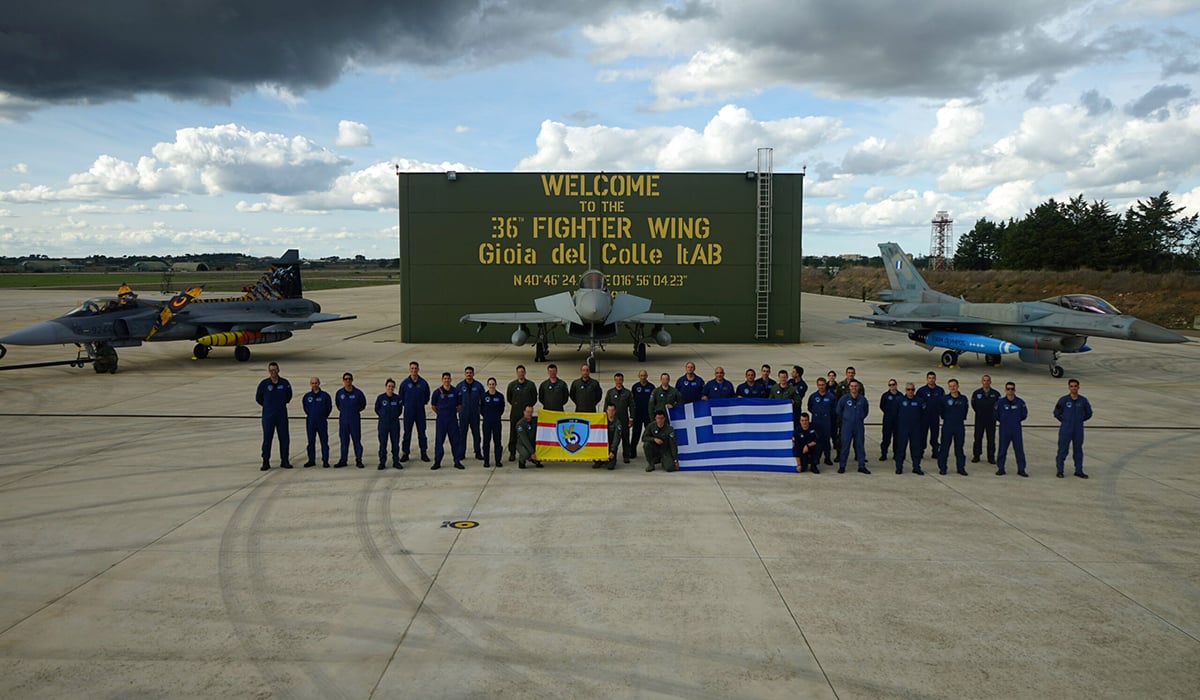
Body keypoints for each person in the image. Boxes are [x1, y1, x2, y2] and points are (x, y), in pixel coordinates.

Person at [256, 361, 293, 470]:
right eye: (271, 370)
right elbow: (259, 398)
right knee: (267, 438)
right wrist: (268, 406)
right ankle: (266, 461)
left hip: (281, 415)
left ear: (278, 370)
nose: (274, 372)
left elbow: (288, 396)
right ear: (269, 371)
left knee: (284, 438)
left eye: (275, 370)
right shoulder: (264, 384)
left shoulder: (285, 383)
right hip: (268, 416)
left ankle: (285, 460)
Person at [1053, 378, 1093, 478]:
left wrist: (1079, 420)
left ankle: (1079, 470)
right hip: (1066, 429)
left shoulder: (1083, 400)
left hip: (1078, 429)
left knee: (1078, 450)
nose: (1073, 388)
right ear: (1069, 387)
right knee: (1063, 450)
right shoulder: (1063, 400)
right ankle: (1060, 470)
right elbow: (1056, 413)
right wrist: (1065, 421)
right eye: (1071, 386)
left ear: (1078, 387)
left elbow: (1089, 413)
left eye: (1075, 386)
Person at [430, 372, 464, 470]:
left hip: (452, 420)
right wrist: (441, 414)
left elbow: (459, 406)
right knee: (439, 441)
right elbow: (433, 406)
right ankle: (437, 462)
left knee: (455, 441)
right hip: (441, 420)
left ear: (450, 380)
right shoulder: (437, 392)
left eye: (448, 378)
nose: (446, 380)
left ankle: (457, 461)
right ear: (442, 380)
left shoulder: (455, 391)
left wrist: (452, 413)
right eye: (445, 378)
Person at [836, 379, 870, 474]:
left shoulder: (862, 399)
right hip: (847, 426)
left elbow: (866, 411)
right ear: (849, 387)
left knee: (860, 446)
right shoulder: (844, 399)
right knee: (845, 446)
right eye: (852, 386)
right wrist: (847, 418)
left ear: (858, 387)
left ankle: (861, 466)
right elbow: (838, 410)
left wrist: (859, 417)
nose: (854, 388)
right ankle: (842, 466)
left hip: (858, 426)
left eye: (855, 386)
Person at [399, 361, 430, 463]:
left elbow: (427, 397)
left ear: (418, 369)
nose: (414, 370)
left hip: (420, 411)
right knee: (407, 433)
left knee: (422, 432)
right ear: (409, 369)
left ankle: (424, 452)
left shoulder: (423, 383)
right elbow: (401, 398)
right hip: (408, 411)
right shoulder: (404, 384)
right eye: (412, 368)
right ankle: (405, 453)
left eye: (415, 368)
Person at [506, 364, 538, 463]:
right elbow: (509, 398)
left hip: (527, 415)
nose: (521, 374)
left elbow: (534, 398)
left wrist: (527, 411)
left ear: (525, 373)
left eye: (522, 372)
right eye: (519, 372)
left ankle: (530, 453)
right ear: (517, 373)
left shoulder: (530, 385)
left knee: (529, 434)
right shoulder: (512, 385)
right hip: (515, 413)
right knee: (513, 433)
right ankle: (512, 453)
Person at [936, 378, 969, 476]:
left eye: (954, 386)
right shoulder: (944, 399)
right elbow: (941, 412)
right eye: (950, 386)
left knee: (959, 448)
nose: (952, 388)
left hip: (959, 425)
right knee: (944, 448)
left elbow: (965, 411)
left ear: (958, 386)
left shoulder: (963, 399)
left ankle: (961, 468)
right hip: (948, 426)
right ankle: (943, 468)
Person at [334, 372, 367, 468]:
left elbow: (363, 405)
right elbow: (338, 405)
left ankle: (359, 459)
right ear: (343, 381)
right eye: (346, 379)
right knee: (344, 441)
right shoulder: (339, 393)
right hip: (343, 421)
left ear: (352, 380)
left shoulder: (358, 393)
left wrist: (354, 411)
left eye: (349, 379)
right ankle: (343, 460)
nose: (348, 381)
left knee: (356, 440)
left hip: (354, 421)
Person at [996, 382, 1028, 477]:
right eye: (1008, 389)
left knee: (1019, 450)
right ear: (1005, 390)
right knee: (1002, 449)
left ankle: (1021, 469)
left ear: (1015, 390)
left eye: (1012, 389)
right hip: (1004, 429)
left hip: (1016, 429)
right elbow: (995, 415)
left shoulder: (1020, 402)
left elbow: (1024, 414)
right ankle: (1001, 468)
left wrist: (1016, 420)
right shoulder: (1000, 403)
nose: (1010, 391)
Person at [894, 383, 925, 475]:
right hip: (902, 428)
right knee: (900, 449)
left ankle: (916, 467)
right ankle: (899, 467)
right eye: (908, 389)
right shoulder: (899, 400)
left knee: (916, 449)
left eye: (912, 389)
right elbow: (895, 414)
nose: (910, 391)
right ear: (905, 390)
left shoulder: (920, 401)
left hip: (915, 429)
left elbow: (923, 415)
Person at [302, 376, 332, 468]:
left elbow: (329, 407)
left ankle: (325, 460)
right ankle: (311, 460)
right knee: (311, 441)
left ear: (319, 383)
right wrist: (311, 415)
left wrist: (323, 416)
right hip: (311, 421)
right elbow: (305, 407)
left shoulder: (325, 396)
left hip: (321, 421)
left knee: (324, 441)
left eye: (316, 383)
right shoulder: (307, 396)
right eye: (313, 383)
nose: (314, 385)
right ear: (310, 384)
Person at [457, 366, 486, 461]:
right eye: (467, 373)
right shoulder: (460, 386)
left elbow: (483, 400)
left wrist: (480, 411)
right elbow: (456, 400)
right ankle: (461, 452)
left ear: (473, 374)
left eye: (470, 373)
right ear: (465, 374)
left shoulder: (478, 386)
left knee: (476, 434)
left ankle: (477, 452)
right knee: (462, 434)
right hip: (464, 414)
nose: (469, 374)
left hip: (474, 414)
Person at [971, 374, 1001, 464]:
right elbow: (973, 404)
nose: (986, 382)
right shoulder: (977, 393)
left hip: (991, 419)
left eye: (988, 380)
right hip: (980, 418)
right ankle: (976, 455)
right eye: (984, 380)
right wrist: (979, 412)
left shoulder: (995, 394)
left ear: (990, 382)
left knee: (991, 438)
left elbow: (998, 406)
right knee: (978, 437)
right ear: (982, 382)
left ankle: (991, 456)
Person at [604, 372, 633, 463]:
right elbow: (606, 405)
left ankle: (626, 456)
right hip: (613, 419)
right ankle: (610, 453)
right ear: (614, 381)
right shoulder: (610, 392)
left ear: (623, 380)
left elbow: (632, 406)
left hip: (624, 418)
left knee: (625, 437)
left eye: (620, 380)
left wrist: (631, 418)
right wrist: (605, 417)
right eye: (617, 380)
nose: (618, 382)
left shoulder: (627, 393)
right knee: (611, 437)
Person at [806, 378, 836, 466]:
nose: (821, 387)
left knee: (826, 439)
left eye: (823, 385)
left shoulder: (831, 396)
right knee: (816, 439)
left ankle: (827, 457)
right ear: (817, 385)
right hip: (816, 420)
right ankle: (816, 458)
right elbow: (810, 407)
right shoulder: (813, 396)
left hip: (826, 420)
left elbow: (834, 409)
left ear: (825, 385)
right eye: (819, 385)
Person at [915, 371, 945, 459]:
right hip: (924, 417)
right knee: (922, 435)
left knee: (935, 435)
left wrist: (941, 413)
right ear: (927, 379)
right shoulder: (921, 391)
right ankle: (920, 451)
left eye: (933, 378)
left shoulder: (940, 390)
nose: (931, 380)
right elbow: (917, 403)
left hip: (935, 417)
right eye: (929, 378)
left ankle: (935, 451)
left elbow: (943, 403)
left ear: (935, 379)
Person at [374, 378, 403, 469]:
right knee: (383, 444)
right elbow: (377, 409)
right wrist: (383, 415)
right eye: (389, 386)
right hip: (383, 424)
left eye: (392, 386)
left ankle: (396, 461)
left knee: (395, 443)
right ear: (386, 387)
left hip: (394, 423)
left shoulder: (397, 398)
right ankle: (382, 462)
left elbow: (399, 410)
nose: (390, 388)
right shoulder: (380, 398)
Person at [481, 377, 506, 467]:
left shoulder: (500, 396)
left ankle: (498, 460)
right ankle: (486, 461)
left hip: (497, 422)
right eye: (490, 384)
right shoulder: (484, 396)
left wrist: (496, 416)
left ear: (495, 385)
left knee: (498, 442)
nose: (491, 386)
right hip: (487, 422)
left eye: (493, 384)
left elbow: (502, 408)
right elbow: (481, 409)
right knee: (486, 442)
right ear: (487, 385)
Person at [630, 369, 654, 458]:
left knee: (650, 433)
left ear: (647, 376)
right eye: (641, 376)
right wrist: (632, 415)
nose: (643, 377)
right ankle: (632, 452)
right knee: (636, 433)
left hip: (648, 414)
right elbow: (632, 402)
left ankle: (651, 452)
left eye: (644, 375)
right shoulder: (635, 387)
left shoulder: (651, 387)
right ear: (639, 376)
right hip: (638, 414)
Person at [878, 378, 902, 462]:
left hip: (897, 421)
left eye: (893, 384)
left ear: (896, 385)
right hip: (888, 420)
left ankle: (896, 454)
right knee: (886, 438)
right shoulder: (885, 395)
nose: (892, 386)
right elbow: (882, 406)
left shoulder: (900, 395)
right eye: (890, 385)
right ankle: (884, 453)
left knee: (897, 438)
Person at [514, 404, 541, 468]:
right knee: (526, 454)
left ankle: (534, 459)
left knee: (541, 452)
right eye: (528, 412)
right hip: (522, 444)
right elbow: (525, 440)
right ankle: (521, 461)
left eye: (531, 412)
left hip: (532, 443)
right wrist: (532, 452)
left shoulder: (535, 420)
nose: (529, 414)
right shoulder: (520, 424)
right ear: (524, 412)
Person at [597, 404, 623, 470]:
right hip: (602, 445)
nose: (610, 412)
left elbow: (616, 439)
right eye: (609, 410)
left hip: (611, 446)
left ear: (615, 411)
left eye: (612, 410)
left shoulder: (617, 423)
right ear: (606, 411)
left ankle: (608, 460)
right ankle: (600, 461)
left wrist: (612, 451)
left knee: (610, 467)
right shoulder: (602, 421)